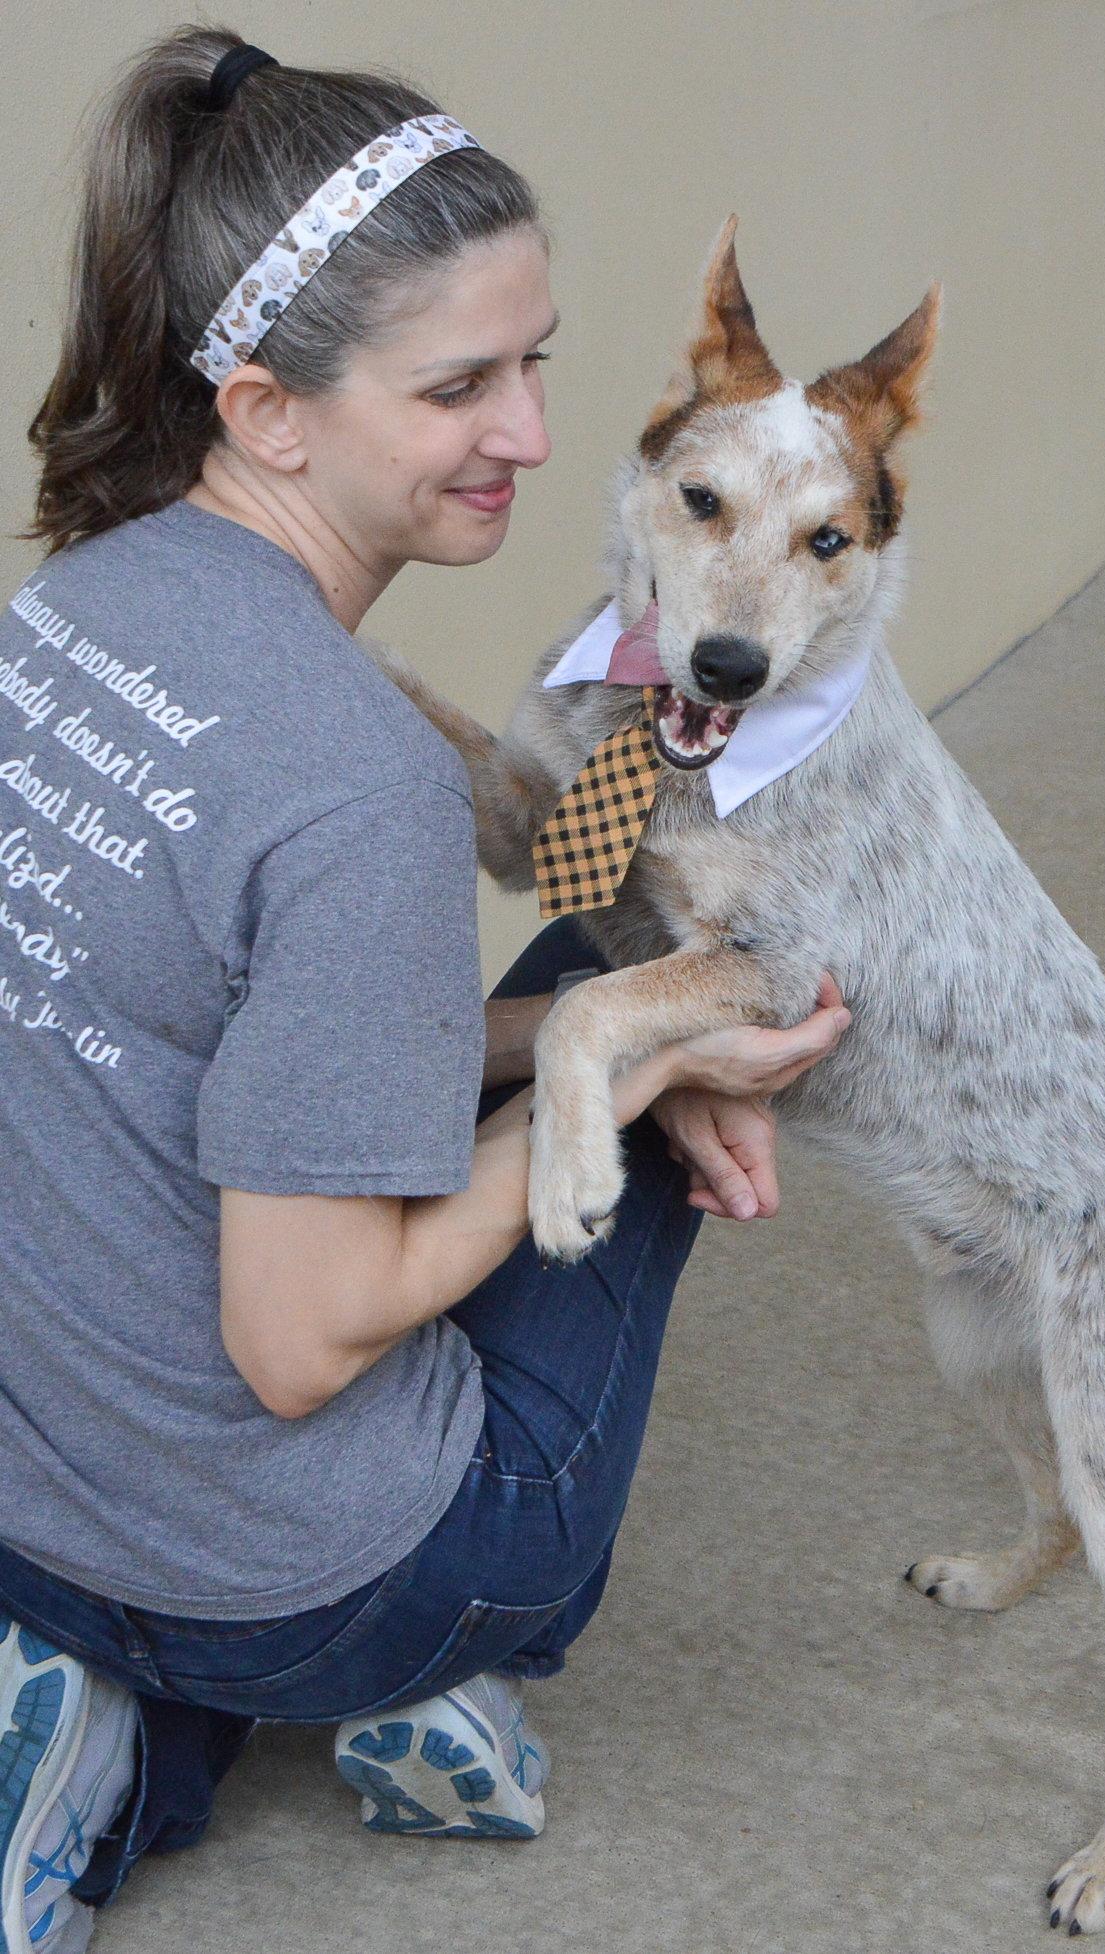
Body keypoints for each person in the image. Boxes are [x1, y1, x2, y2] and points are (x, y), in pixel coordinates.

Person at [0, 27, 852, 1954]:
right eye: (459, 383)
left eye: (538, 359)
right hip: (288, 1563)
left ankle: (94, 1714)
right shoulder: (354, 779)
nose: (535, 434)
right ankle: (398, 1677)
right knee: (638, 981)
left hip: (30, 1492)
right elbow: (302, 1347)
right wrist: (630, 1063)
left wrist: (590, 1028)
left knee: (603, 987)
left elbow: (213, 1040)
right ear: (270, 410)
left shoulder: (75, 610)